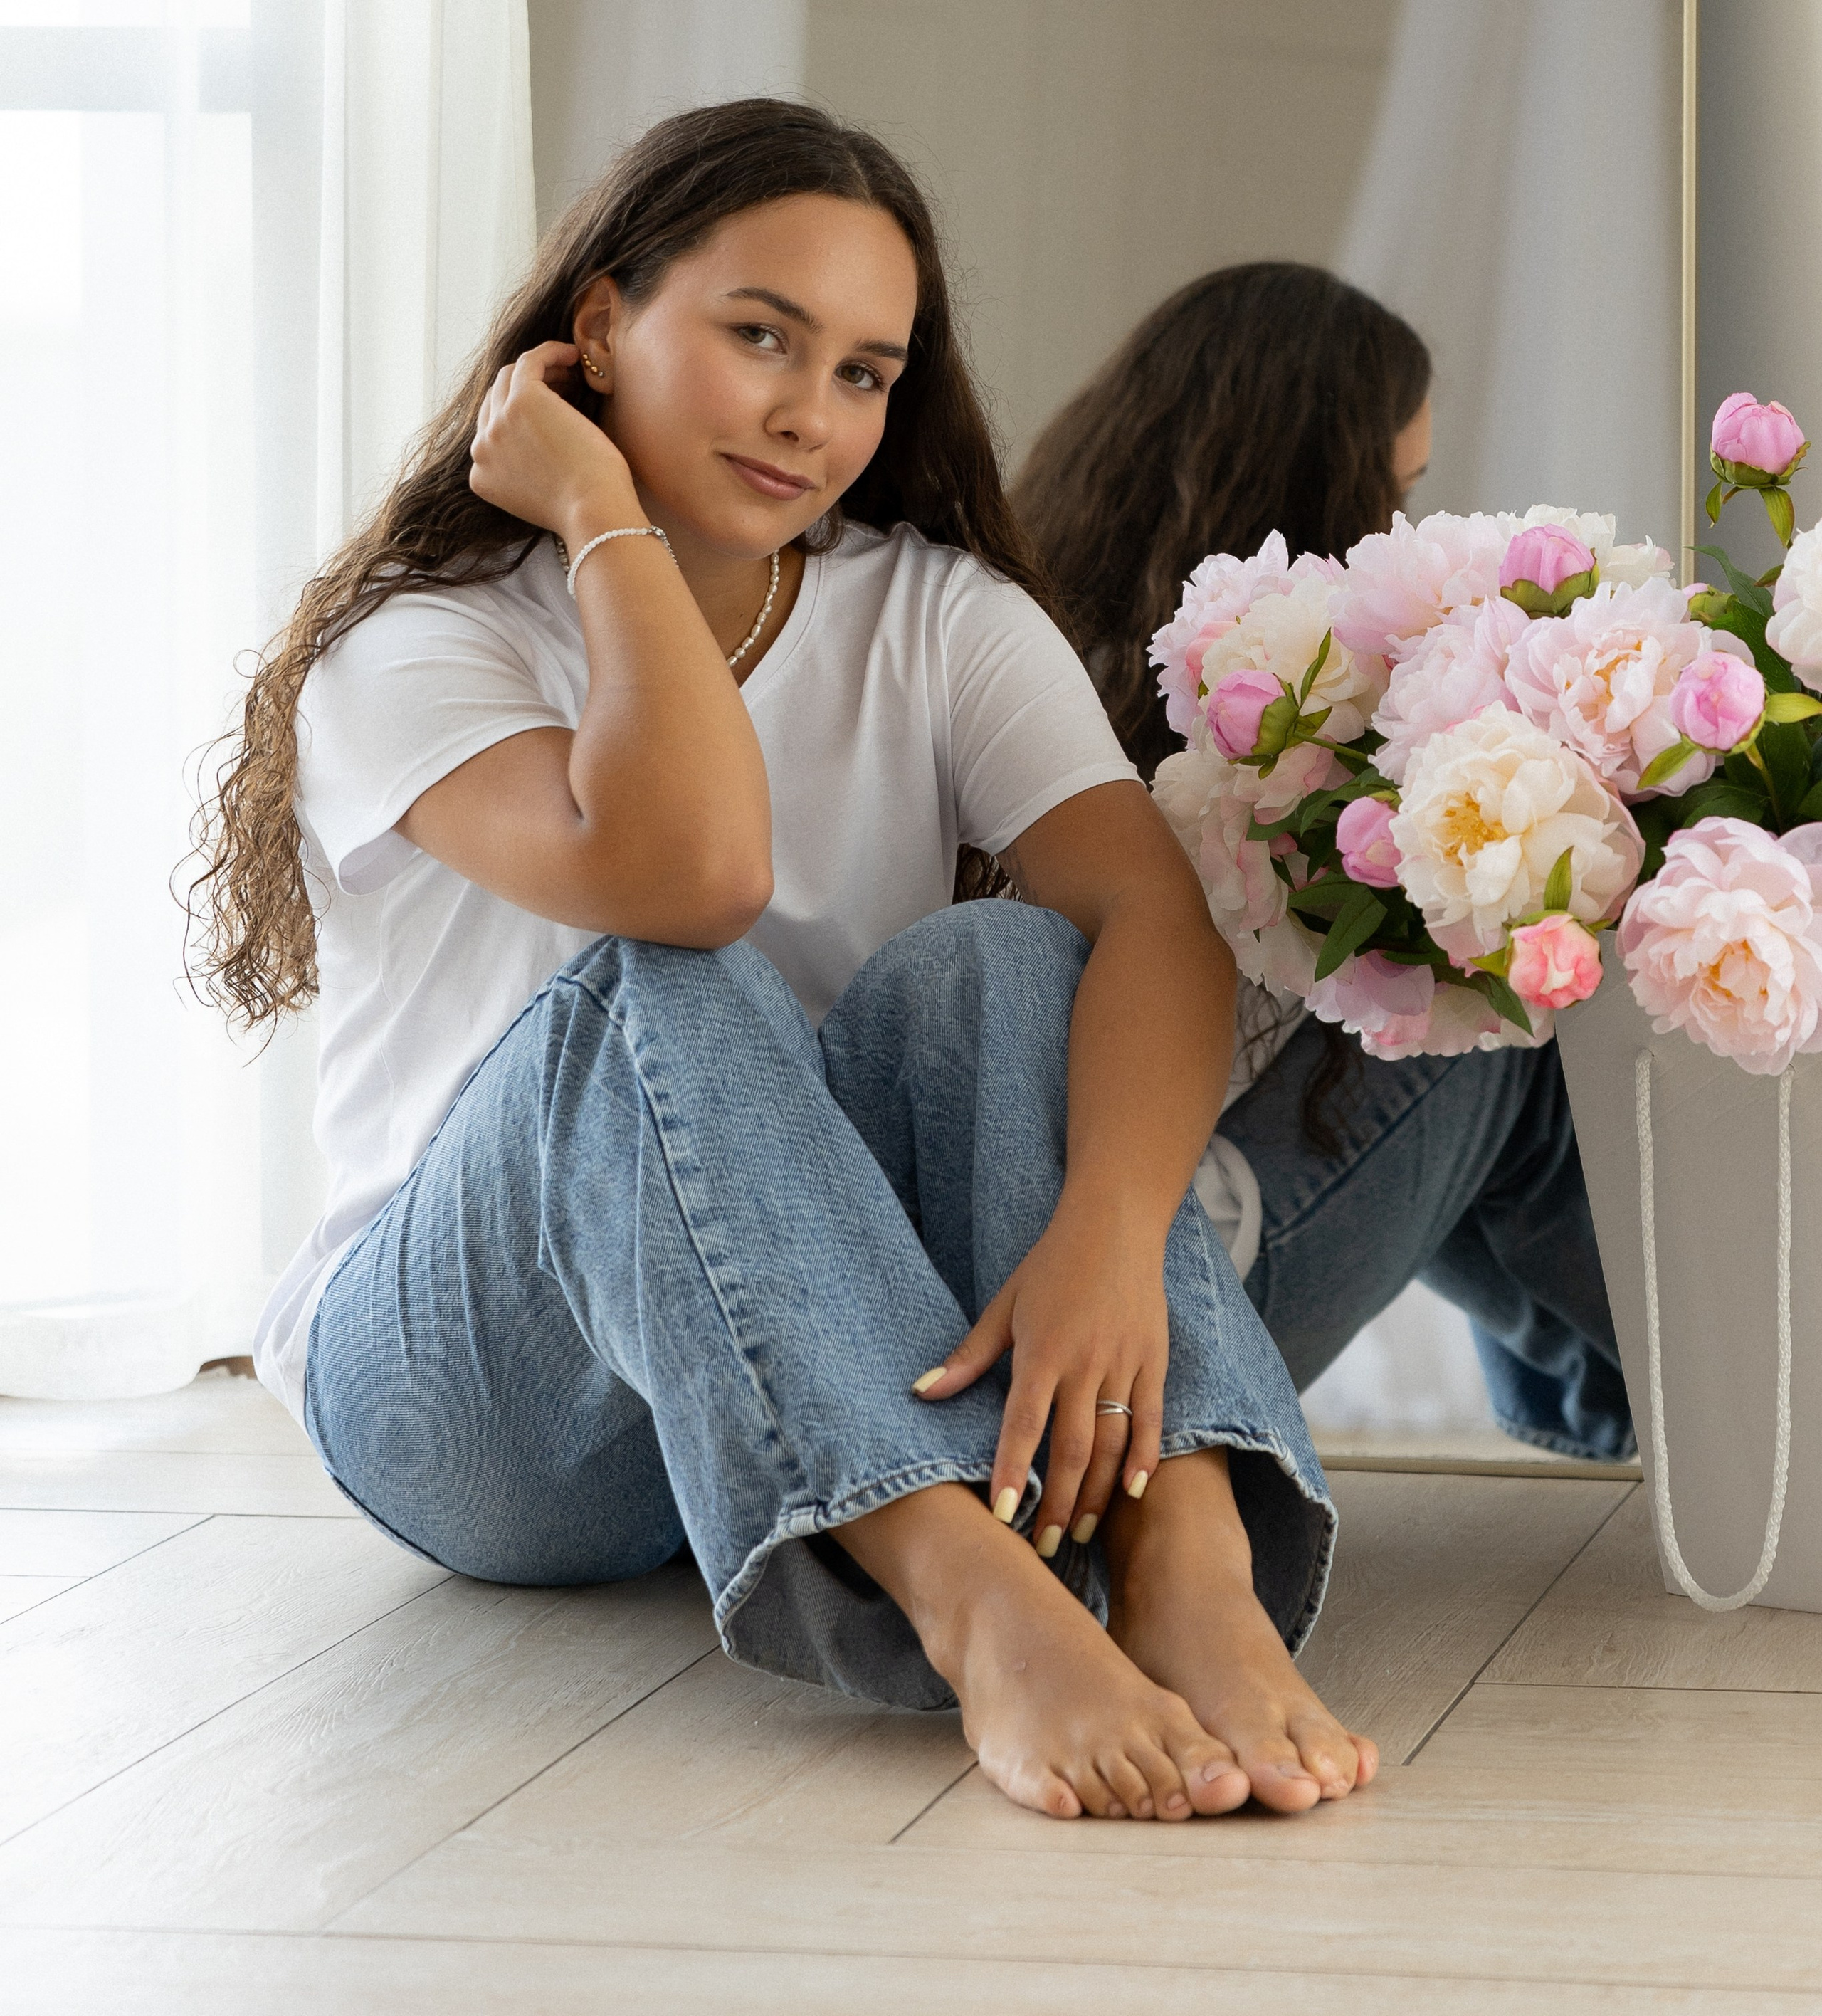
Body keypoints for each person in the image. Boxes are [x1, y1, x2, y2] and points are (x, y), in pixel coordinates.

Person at [190, 105, 1379, 1827]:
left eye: (863, 372)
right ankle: (973, 1596)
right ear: (595, 330)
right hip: (486, 1412)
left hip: (812, 1360)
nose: (808, 414)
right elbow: (690, 879)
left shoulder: (937, 614)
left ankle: (1183, 1545)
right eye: (759, 335)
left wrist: (1114, 1237)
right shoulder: (422, 643)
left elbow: (1150, 920)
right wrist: (601, 518)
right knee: (648, 988)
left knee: (1001, 958)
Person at [1016, 261, 1636, 1463]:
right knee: (1488, 1018)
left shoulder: (1026, 650)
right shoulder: (1256, 732)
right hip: (1150, 1314)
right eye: (1390, 493)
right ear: (1319, 494)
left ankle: (1644, 1406)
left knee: (1468, 1020)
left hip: (1062, 1261)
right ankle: (1696, 1407)